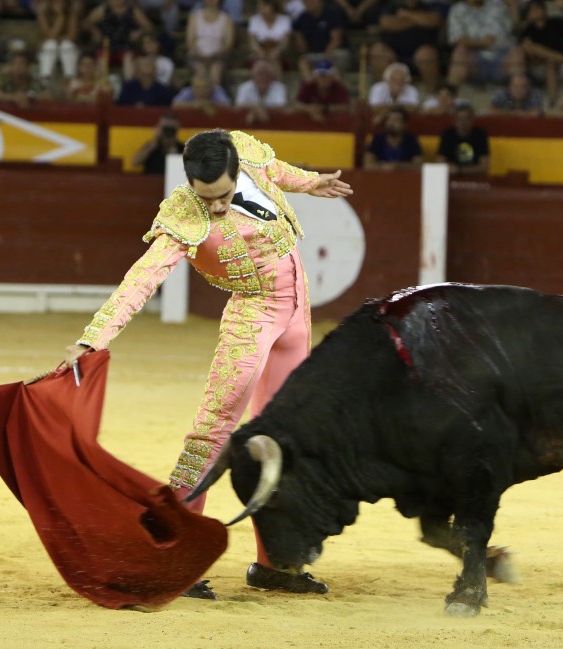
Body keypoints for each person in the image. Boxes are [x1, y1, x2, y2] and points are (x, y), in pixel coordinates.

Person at [60, 129, 353, 598]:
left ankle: (276, 563)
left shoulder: (249, 156)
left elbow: (276, 172)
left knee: (284, 438)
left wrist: (310, 183)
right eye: (206, 197)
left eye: (223, 195)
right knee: (213, 432)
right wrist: (93, 338)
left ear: (237, 169)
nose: (215, 207)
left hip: (298, 316)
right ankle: (175, 557)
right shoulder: (184, 213)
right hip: (251, 318)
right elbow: (144, 277)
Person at [368, 0, 443, 94]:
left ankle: (431, 97)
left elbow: (433, 21)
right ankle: (382, 96)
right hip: (393, 54)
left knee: (427, 54)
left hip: (419, 55)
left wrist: (407, 15)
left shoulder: (429, 6)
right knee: (378, 51)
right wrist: (418, 19)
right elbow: (386, 24)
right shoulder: (391, 6)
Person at [516, 0, 563, 103]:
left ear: (544, 10)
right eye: (532, 9)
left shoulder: (555, 23)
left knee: (550, 65)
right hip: (537, 67)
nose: (534, 12)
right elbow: (526, 49)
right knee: (530, 47)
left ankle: (553, 102)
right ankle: (558, 57)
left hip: (561, 66)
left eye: (537, 8)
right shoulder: (528, 29)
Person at [446, 0, 515, 88]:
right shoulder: (457, 10)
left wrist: (514, 7)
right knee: (459, 53)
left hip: (501, 57)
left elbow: (513, 28)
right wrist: (481, 43)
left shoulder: (497, 5)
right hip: (475, 60)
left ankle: (520, 97)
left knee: (517, 52)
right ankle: (449, 94)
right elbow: (457, 39)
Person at [83, 0, 154, 69]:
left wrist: (139, 32)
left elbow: (149, 26)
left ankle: (128, 81)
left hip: (126, 46)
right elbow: (86, 23)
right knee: (101, 58)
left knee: (129, 59)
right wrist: (94, 31)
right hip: (106, 46)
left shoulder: (133, 11)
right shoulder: (102, 10)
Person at [292, 0, 350, 80]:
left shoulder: (332, 12)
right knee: (303, 61)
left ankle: (337, 88)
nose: (308, 4)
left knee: (330, 63)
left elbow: (336, 39)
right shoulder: (302, 18)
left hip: (335, 52)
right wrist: (298, 37)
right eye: (305, 2)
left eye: (310, 1)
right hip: (315, 54)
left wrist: (325, 58)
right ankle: (311, 87)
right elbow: (303, 49)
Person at [185, 0, 234, 85]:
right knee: (200, 70)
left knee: (216, 70)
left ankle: (215, 95)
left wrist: (213, 54)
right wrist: (199, 53)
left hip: (218, 55)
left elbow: (228, 44)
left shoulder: (226, 19)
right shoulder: (194, 17)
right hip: (197, 55)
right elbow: (190, 42)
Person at [437, 102, 490, 175]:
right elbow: (440, 162)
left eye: (467, 118)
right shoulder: (448, 134)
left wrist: (459, 170)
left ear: (472, 119)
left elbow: (484, 167)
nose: (463, 122)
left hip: (475, 179)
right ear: (454, 120)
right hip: (451, 177)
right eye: (460, 118)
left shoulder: (480, 135)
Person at [364, 105, 423, 170]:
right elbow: (368, 165)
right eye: (389, 119)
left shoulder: (411, 140)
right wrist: (383, 167)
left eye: (396, 120)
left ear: (404, 125)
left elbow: (418, 166)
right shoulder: (378, 138)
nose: (391, 123)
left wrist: (397, 166)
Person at [292, 57, 351, 122]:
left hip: (335, 125)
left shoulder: (340, 87)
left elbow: (346, 107)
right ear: (315, 76)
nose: (323, 79)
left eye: (326, 75)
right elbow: (296, 105)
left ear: (332, 76)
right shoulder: (308, 86)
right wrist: (310, 109)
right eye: (320, 75)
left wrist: (325, 109)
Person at [35, 0, 80, 81]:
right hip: (46, 49)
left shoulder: (71, 15)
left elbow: (71, 36)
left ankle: (70, 78)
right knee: (50, 44)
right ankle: (45, 78)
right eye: (56, 2)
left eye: (61, 3)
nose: (59, 5)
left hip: (66, 48)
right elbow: (50, 35)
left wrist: (62, 15)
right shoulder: (43, 15)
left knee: (67, 45)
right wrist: (60, 17)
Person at [234, 58, 288, 123]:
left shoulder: (279, 87)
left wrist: (259, 109)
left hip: (275, 124)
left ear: (271, 75)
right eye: (259, 74)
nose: (262, 77)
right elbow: (238, 106)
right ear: (253, 75)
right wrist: (256, 108)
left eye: (265, 74)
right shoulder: (244, 87)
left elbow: (281, 107)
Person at [246, 0, 292, 73]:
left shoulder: (284, 20)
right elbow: (252, 41)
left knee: (275, 62)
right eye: (259, 6)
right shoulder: (254, 20)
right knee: (259, 62)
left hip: (278, 54)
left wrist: (277, 51)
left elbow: (285, 42)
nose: (261, 9)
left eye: (264, 6)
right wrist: (259, 51)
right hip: (260, 52)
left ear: (272, 6)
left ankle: (277, 83)